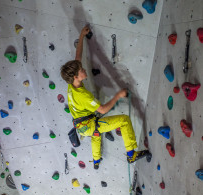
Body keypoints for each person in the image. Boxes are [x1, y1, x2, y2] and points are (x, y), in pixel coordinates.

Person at [61, 25, 149, 169]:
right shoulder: (83, 95)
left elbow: (78, 56)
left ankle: (96, 161)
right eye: (82, 70)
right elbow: (102, 109)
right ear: (76, 77)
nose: (84, 70)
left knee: (96, 134)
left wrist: (82, 35)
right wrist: (118, 95)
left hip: (81, 125)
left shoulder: (71, 84)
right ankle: (131, 154)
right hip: (87, 124)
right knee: (124, 121)